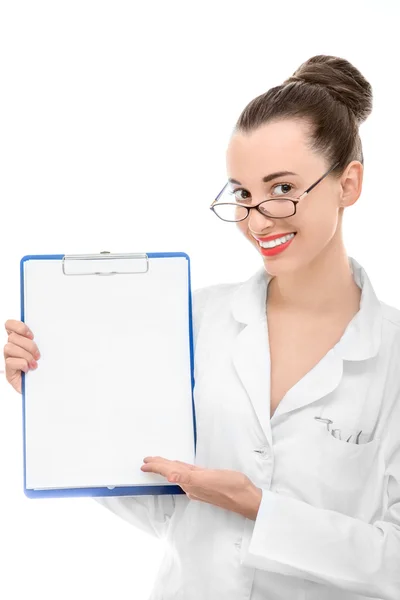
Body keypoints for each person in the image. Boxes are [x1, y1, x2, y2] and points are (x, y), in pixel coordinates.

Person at [3, 54, 400, 600]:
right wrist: (59, 399)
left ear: (348, 184)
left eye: (281, 188)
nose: (257, 219)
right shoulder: (195, 321)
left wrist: (259, 509)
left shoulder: (394, 354)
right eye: (241, 193)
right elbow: (164, 506)